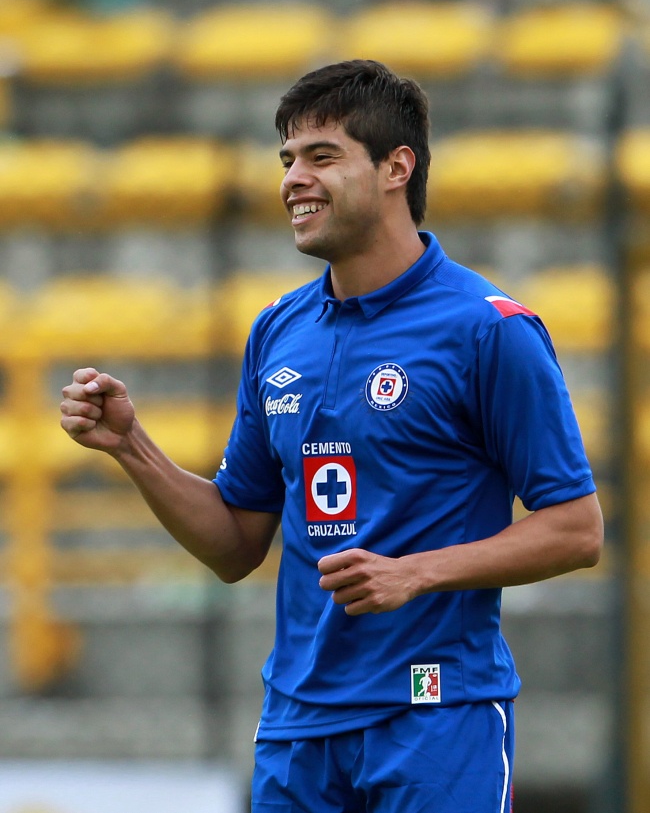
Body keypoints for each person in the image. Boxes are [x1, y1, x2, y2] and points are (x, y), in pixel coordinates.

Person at [61, 59, 604, 813]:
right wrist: (132, 447)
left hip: (434, 713)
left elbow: (577, 528)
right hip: (297, 730)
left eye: (322, 156)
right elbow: (235, 544)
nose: (293, 180)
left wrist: (414, 573)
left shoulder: (488, 329)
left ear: (396, 168)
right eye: (287, 159)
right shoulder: (277, 331)